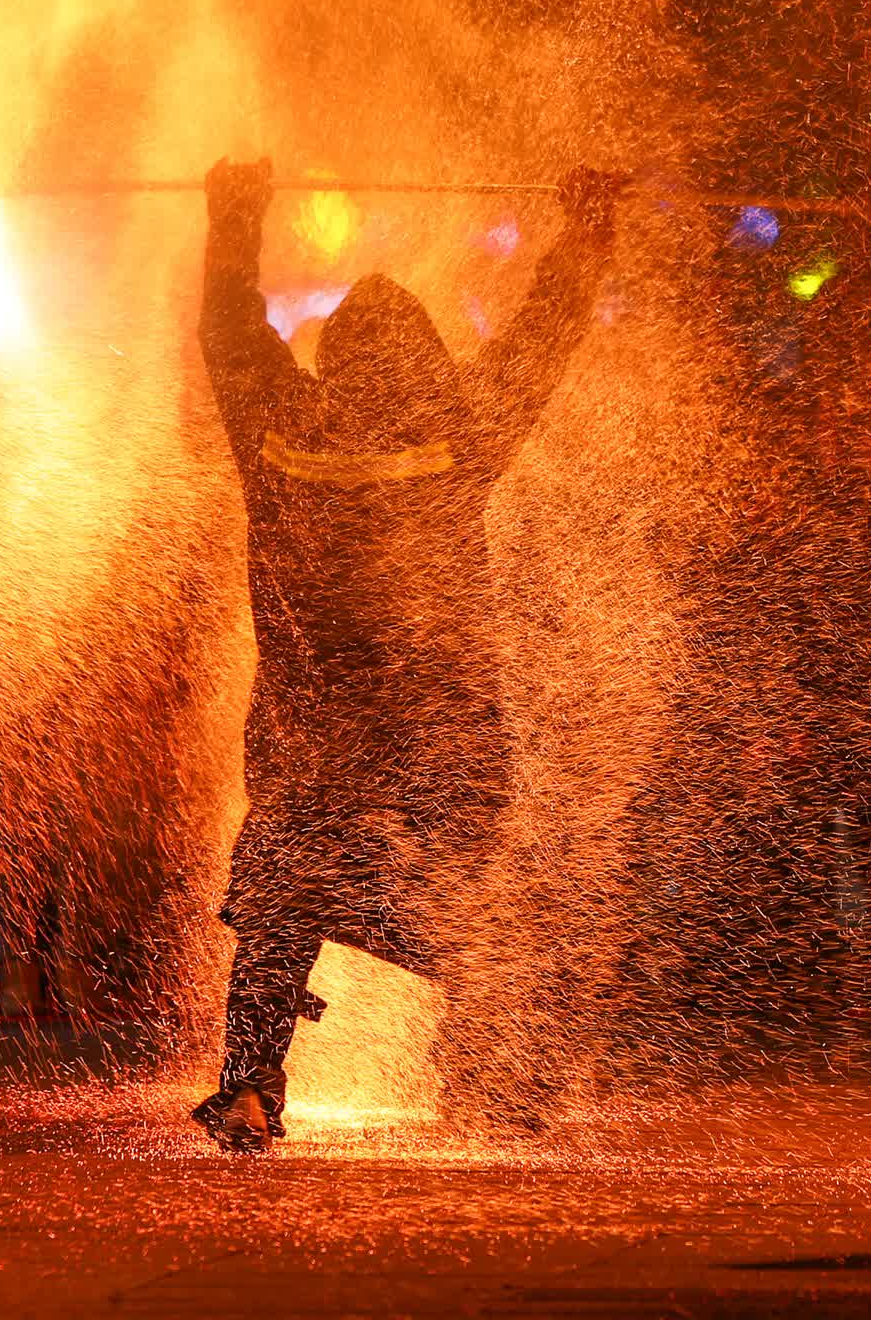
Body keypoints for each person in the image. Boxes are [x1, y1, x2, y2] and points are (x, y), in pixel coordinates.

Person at [190, 156, 624, 1152]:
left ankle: (252, 1084)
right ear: (428, 361)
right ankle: (488, 1077)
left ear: (332, 359)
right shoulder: (458, 429)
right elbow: (541, 341)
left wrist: (237, 211)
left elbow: (227, 328)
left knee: (278, 898)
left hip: (312, 750)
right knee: (475, 916)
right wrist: (589, 228)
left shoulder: (277, 430)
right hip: (446, 757)